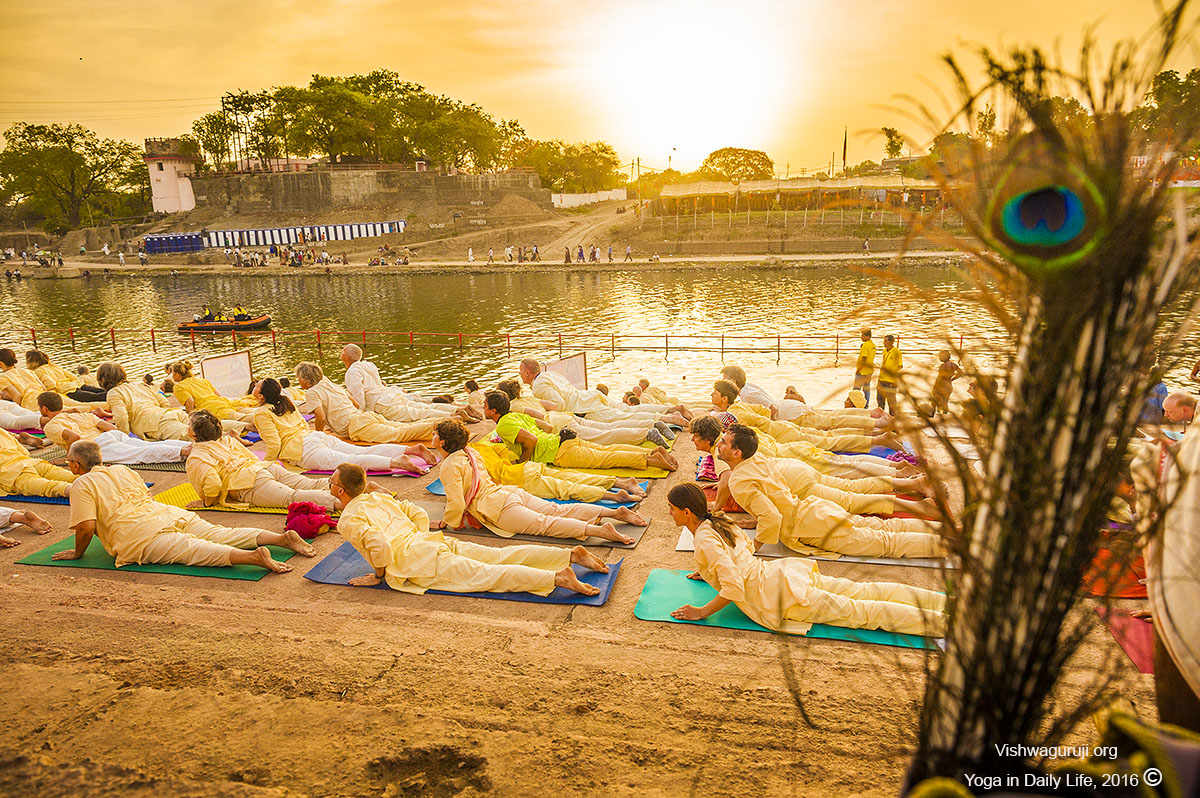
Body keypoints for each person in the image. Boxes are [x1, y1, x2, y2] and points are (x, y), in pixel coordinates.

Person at [666, 483, 945, 636]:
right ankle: (943, 604)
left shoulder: (703, 538)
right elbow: (743, 552)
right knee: (864, 592)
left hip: (778, 594)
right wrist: (710, 571)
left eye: (672, 509)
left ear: (688, 512)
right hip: (783, 575)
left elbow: (735, 587)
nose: (670, 514)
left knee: (860, 613)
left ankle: (943, 624)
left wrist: (702, 611)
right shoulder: (719, 521)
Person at [330, 463, 610, 595]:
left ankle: (557, 578)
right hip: (430, 543)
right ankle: (568, 555)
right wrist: (419, 534)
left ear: (340, 491)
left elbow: (379, 544)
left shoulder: (348, 519)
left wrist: (379, 576)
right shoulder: (378, 496)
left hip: (418, 560)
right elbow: (415, 511)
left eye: (331, 483)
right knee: (498, 556)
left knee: (488, 575)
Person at [53, 441, 312, 573]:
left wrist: (77, 553)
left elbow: (87, 527)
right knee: (220, 533)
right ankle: (280, 538)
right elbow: (147, 498)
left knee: (193, 550)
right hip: (165, 513)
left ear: (75, 465)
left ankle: (252, 557)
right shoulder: (122, 469)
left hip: (139, 534)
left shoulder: (82, 483)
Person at [722, 424, 943, 558]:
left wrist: (752, 548)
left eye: (723, 442)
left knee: (886, 542)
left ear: (736, 453)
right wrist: (759, 518)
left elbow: (771, 516)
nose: (719, 446)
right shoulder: (756, 458)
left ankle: (950, 543)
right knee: (881, 525)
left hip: (811, 525)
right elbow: (771, 497)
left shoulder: (739, 480)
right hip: (813, 507)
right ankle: (948, 529)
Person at [435, 419, 643, 544]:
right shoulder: (470, 452)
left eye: (435, 434)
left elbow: (457, 503)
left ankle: (599, 530)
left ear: (443, 442)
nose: (432, 436)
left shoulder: (450, 465)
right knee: (557, 509)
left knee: (547, 524)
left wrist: (447, 523)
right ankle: (613, 512)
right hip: (509, 492)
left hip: (498, 506)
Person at [690, 416, 932, 517]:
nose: (691, 441)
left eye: (695, 437)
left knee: (851, 490)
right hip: (793, 460)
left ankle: (908, 480)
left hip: (797, 474)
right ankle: (906, 480)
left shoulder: (719, 451)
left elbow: (726, 483)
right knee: (849, 473)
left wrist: (715, 508)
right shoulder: (736, 435)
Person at [253, 378, 432, 472]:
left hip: (303, 449)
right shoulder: (286, 401)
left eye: (256, 386)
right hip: (315, 437)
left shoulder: (261, 413)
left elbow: (275, 444)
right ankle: (410, 451)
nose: (254, 387)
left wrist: (266, 465)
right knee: (360, 452)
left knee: (350, 461)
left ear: (261, 396)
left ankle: (397, 462)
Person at [185, 410, 343, 509]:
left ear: (194, 434)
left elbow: (213, 484)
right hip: (265, 468)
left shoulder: (197, 456)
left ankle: (343, 503)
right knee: (310, 484)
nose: (187, 427)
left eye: (189, 425)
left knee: (293, 498)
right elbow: (252, 458)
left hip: (248, 483)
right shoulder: (228, 440)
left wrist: (207, 502)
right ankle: (353, 486)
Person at [486, 392, 678, 473]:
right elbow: (544, 427)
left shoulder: (502, 425)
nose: (483, 408)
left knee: (604, 459)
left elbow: (532, 439)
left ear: (494, 411)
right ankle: (651, 452)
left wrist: (522, 460)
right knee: (606, 449)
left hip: (557, 452)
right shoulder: (516, 416)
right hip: (561, 439)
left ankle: (651, 460)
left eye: (485, 406)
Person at [711, 380, 903, 453]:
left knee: (831, 434)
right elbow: (764, 413)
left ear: (725, 397)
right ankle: (876, 422)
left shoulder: (733, 413)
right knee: (832, 424)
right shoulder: (742, 404)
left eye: (714, 393)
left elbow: (769, 413)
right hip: (787, 421)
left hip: (788, 422)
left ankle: (877, 426)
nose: (711, 396)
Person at [493, 379, 671, 447]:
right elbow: (554, 406)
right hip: (567, 416)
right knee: (608, 427)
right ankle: (650, 424)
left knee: (605, 436)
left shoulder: (514, 408)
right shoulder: (529, 398)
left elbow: (540, 418)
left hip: (560, 425)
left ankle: (646, 433)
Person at [294, 361, 437, 443]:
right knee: (401, 427)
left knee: (399, 434)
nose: (298, 381)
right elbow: (355, 403)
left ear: (305, 379)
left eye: (299, 378)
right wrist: (338, 423)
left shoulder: (311, 392)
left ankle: (440, 426)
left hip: (357, 425)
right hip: (364, 416)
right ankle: (442, 423)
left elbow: (321, 417)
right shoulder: (328, 383)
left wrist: (319, 436)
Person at [522, 357, 691, 425]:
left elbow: (558, 404)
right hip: (589, 397)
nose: (520, 376)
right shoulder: (549, 374)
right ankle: (672, 409)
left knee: (626, 415)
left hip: (585, 410)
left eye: (521, 372)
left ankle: (669, 417)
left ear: (528, 373)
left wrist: (538, 405)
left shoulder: (539, 386)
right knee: (627, 410)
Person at [39, 392, 189, 464]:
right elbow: (108, 426)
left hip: (94, 446)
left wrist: (70, 458)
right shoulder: (80, 415)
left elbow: (74, 437)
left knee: (141, 453)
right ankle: (189, 446)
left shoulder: (51, 425)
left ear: (44, 409)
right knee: (145, 446)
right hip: (111, 435)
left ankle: (183, 451)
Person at [340, 345, 476, 424]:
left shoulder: (352, 371)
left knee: (415, 413)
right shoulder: (368, 364)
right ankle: (456, 410)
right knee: (419, 407)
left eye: (342, 351)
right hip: (389, 396)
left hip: (381, 403)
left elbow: (359, 396)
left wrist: (360, 415)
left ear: (347, 357)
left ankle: (454, 416)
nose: (340, 353)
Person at [97, 362, 189, 441]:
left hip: (155, 425)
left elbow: (121, 417)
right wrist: (162, 415)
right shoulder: (140, 385)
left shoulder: (114, 393)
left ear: (103, 379)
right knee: (200, 432)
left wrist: (123, 439)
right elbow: (164, 402)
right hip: (172, 413)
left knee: (197, 439)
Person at [168, 360, 256, 430]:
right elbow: (218, 395)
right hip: (222, 402)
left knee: (241, 418)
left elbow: (190, 401)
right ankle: (264, 412)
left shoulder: (179, 386)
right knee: (244, 412)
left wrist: (190, 416)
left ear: (177, 375)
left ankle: (264, 416)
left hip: (211, 408)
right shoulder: (201, 380)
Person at [0, 427, 75, 497]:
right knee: (71, 477)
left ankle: (78, 490)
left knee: (50, 487)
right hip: (31, 462)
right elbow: (25, 452)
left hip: (11, 473)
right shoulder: (2, 432)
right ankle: (84, 482)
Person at [25, 349, 107, 403]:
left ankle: (113, 396)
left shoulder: (37, 372)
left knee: (94, 398)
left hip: (67, 390)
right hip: (77, 384)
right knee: (100, 392)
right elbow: (72, 376)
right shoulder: (53, 366)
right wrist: (78, 383)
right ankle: (114, 392)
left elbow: (51, 384)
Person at [0, 348, 65, 410]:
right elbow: (44, 388)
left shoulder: (3, 378)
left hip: (31, 403)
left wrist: (17, 411)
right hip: (43, 398)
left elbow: (17, 396)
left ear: (1, 363)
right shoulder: (28, 371)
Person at [876, 335, 902, 414]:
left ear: (891, 342)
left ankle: (892, 417)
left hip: (891, 380)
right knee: (880, 399)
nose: (884, 343)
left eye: (886, 341)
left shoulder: (897, 352)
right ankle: (880, 415)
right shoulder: (884, 351)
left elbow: (900, 366)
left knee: (891, 401)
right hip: (882, 378)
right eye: (884, 341)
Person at [931, 350, 961, 415]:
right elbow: (960, 373)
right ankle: (945, 415)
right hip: (949, 384)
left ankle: (931, 415)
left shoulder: (943, 366)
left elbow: (939, 377)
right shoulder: (953, 364)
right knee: (945, 402)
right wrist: (952, 379)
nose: (939, 358)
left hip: (942, 385)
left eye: (940, 356)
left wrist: (935, 387)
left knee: (934, 402)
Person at [854, 328, 876, 406]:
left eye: (863, 335)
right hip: (869, 371)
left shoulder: (865, 345)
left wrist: (858, 370)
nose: (861, 337)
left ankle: (856, 405)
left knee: (856, 390)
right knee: (866, 389)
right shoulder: (872, 345)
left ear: (867, 336)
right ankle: (866, 405)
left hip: (862, 371)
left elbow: (864, 358)